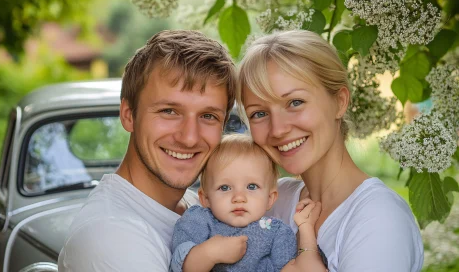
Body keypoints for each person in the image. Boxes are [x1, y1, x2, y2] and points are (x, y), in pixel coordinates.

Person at [237, 30, 424, 272]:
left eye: (295, 102)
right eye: (259, 113)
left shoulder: (379, 218)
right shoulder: (273, 200)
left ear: (340, 101)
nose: (278, 129)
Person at [58, 30, 237, 271]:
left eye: (208, 116)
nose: (189, 137)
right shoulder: (111, 239)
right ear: (129, 115)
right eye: (169, 111)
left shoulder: (196, 205)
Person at [170, 134, 327, 272]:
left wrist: (305, 228)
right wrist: (210, 253)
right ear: (206, 198)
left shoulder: (277, 233)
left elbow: (299, 267)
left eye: (252, 186)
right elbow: (180, 264)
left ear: (270, 199)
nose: (239, 197)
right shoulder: (200, 221)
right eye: (225, 187)